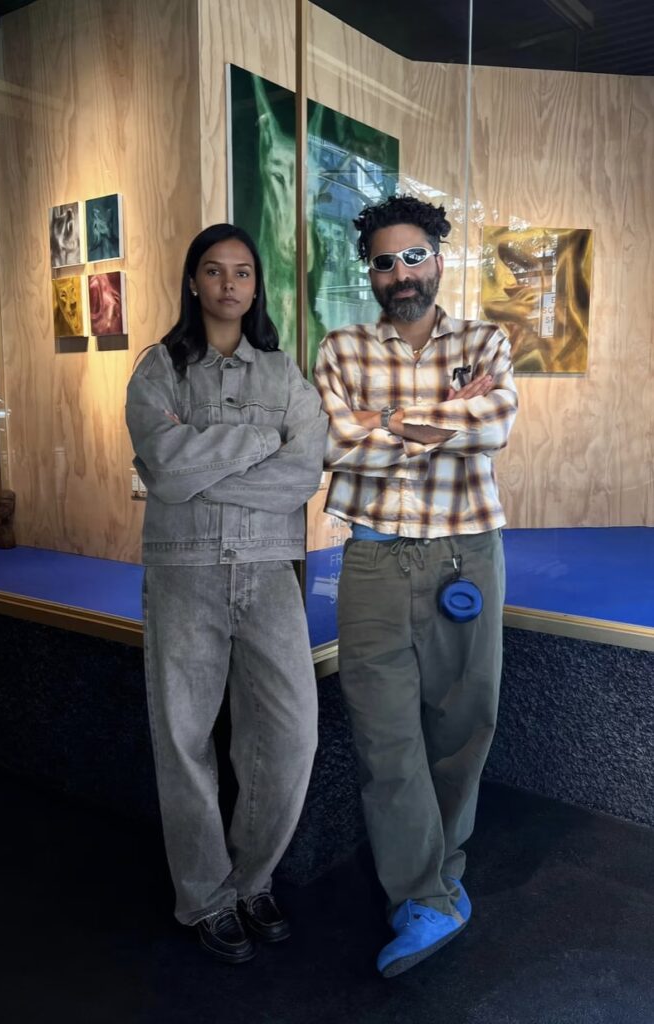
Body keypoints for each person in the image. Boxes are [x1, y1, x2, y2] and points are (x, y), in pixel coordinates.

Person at [313, 194, 518, 978]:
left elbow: (494, 424)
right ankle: (424, 896)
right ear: (369, 273)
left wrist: (385, 422)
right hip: (371, 560)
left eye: (413, 256)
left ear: (438, 256)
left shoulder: (485, 340)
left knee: (464, 722)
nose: (400, 273)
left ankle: (442, 869)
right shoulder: (341, 348)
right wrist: (435, 421)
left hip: (467, 554)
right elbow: (332, 443)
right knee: (384, 737)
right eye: (383, 262)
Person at [126, 223, 327, 965]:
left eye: (242, 272)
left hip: (270, 570)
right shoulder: (159, 370)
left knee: (291, 734)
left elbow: (304, 472)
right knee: (183, 740)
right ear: (193, 281)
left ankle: (252, 878)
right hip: (184, 571)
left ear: (256, 285)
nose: (229, 284)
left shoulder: (283, 373)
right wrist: (258, 442)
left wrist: (201, 465)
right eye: (214, 271)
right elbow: (162, 465)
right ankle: (206, 896)